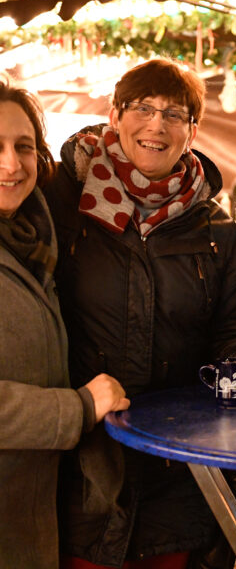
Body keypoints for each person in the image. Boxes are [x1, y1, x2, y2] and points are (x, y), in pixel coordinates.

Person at [43, 58, 236, 569]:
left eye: (174, 114)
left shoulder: (215, 228)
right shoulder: (63, 201)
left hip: (177, 470)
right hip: (82, 468)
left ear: (192, 131)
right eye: (143, 109)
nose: (156, 125)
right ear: (114, 115)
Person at [0, 81, 129, 569]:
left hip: (32, 517)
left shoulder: (34, 242)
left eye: (23, 146)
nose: (11, 164)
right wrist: (77, 408)